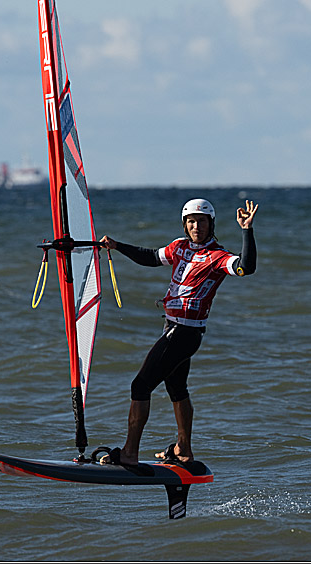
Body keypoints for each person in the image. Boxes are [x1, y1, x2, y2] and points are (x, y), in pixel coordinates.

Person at [99, 198, 258, 466]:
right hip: (172, 326)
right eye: (191, 221)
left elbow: (246, 267)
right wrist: (117, 246)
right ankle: (183, 450)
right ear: (185, 225)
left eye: (202, 221)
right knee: (177, 388)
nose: (197, 226)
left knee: (140, 385)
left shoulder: (217, 256)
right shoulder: (179, 247)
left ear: (211, 224)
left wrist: (247, 230)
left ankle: (129, 453)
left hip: (185, 332)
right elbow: (150, 257)